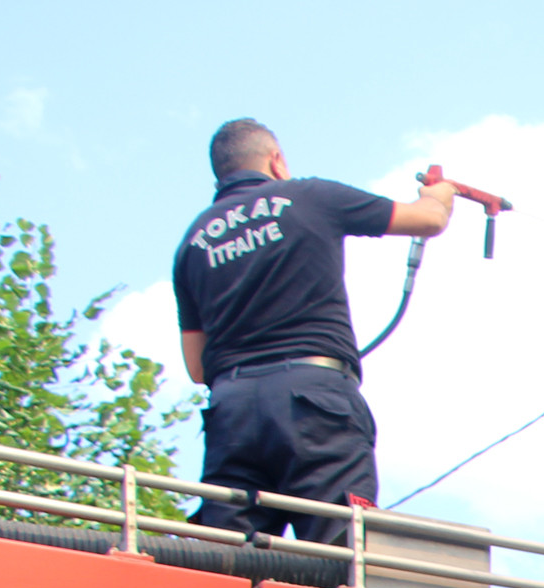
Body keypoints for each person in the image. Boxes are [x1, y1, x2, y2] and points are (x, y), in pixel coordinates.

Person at [171, 120, 454, 545]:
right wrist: (437, 195)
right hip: (314, 402)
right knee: (337, 556)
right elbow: (428, 220)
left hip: (232, 412)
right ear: (276, 160)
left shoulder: (192, 242)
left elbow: (197, 367)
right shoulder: (310, 197)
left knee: (225, 566)